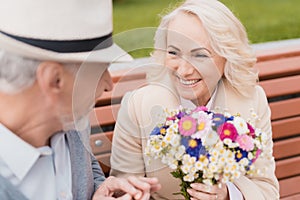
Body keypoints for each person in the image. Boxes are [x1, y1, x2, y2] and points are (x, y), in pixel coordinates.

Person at [110, 0, 280, 199]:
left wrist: (228, 194)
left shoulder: (252, 100)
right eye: (173, 53)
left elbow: (267, 191)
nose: (184, 70)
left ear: (228, 56)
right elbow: (122, 190)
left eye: (199, 55)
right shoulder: (138, 106)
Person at [0, 0, 160, 199]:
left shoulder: (71, 122)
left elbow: (87, 176)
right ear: (54, 80)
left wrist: (101, 190)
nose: (108, 85)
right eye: (100, 70)